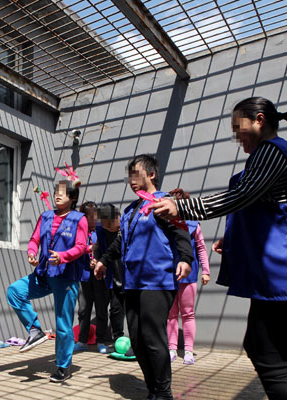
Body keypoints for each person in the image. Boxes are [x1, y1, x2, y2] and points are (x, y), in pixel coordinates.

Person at [153, 97, 287, 400]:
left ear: (259, 120)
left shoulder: (270, 152)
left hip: (285, 276)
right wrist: (232, 239)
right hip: (280, 276)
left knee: (269, 359)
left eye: (237, 127)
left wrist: (182, 207)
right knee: (263, 352)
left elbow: (242, 195)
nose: (236, 135)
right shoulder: (273, 154)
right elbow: (265, 206)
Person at [94, 154, 193, 400]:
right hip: (133, 283)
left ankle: (164, 393)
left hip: (157, 281)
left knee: (152, 337)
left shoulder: (163, 202)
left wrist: (185, 258)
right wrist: (103, 260)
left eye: (136, 174)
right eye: (129, 176)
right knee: (137, 340)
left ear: (151, 174)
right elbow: (120, 242)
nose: (131, 180)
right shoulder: (130, 210)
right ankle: (153, 389)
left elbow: (181, 232)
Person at [7, 179, 87, 383]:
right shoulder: (45, 216)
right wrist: (31, 252)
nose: (58, 195)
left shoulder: (79, 219)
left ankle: (63, 366)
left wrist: (63, 256)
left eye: (63, 192)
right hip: (43, 273)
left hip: (65, 276)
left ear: (73, 197)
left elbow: (81, 246)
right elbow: (34, 239)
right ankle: (35, 330)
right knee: (15, 291)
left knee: (63, 323)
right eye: (56, 191)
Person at [167, 220, 210, 365]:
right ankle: (172, 349)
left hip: (188, 275)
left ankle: (188, 351)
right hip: (169, 274)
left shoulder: (193, 225)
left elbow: (201, 247)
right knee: (171, 314)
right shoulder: (165, 221)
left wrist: (206, 271)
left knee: (188, 313)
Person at [74, 201, 111, 354]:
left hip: (100, 275)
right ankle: (82, 341)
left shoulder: (102, 230)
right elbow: (75, 250)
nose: (93, 219)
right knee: (83, 309)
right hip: (83, 275)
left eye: (95, 215)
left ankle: (101, 341)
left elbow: (109, 250)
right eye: (89, 216)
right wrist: (87, 255)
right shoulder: (79, 231)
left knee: (101, 308)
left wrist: (100, 261)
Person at [93, 203, 126, 352]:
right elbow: (99, 248)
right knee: (104, 307)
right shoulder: (101, 229)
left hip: (124, 273)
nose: (107, 228)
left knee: (119, 309)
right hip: (106, 272)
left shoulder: (126, 227)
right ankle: (104, 339)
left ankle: (120, 339)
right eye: (104, 225)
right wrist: (97, 260)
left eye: (109, 225)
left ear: (117, 218)